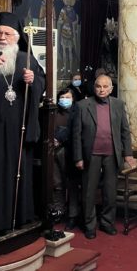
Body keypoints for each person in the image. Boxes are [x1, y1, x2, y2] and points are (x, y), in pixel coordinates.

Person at [0, 11, 46, 234]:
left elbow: (42, 82)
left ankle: (19, 218)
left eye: (8, 34)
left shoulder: (26, 58)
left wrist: (33, 81)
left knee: (18, 174)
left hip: (17, 132)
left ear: (17, 37)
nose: (3, 37)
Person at [72, 74, 134, 239]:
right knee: (89, 192)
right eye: (99, 86)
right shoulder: (82, 106)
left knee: (110, 192)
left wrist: (128, 154)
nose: (102, 89)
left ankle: (107, 223)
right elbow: (76, 135)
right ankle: (89, 225)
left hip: (112, 155)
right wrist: (78, 157)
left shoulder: (118, 105)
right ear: (94, 88)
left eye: (105, 86)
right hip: (90, 154)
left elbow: (125, 131)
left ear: (111, 89)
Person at [52, 88, 81, 230]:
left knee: (72, 184)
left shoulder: (77, 112)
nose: (64, 99)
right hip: (54, 152)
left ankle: (72, 215)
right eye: (62, 97)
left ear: (73, 99)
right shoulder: (55, 112)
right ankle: (59, 210)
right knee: (56, 184)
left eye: (67, 97)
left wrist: (61, 138)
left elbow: (77, 131)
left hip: (70, 152)